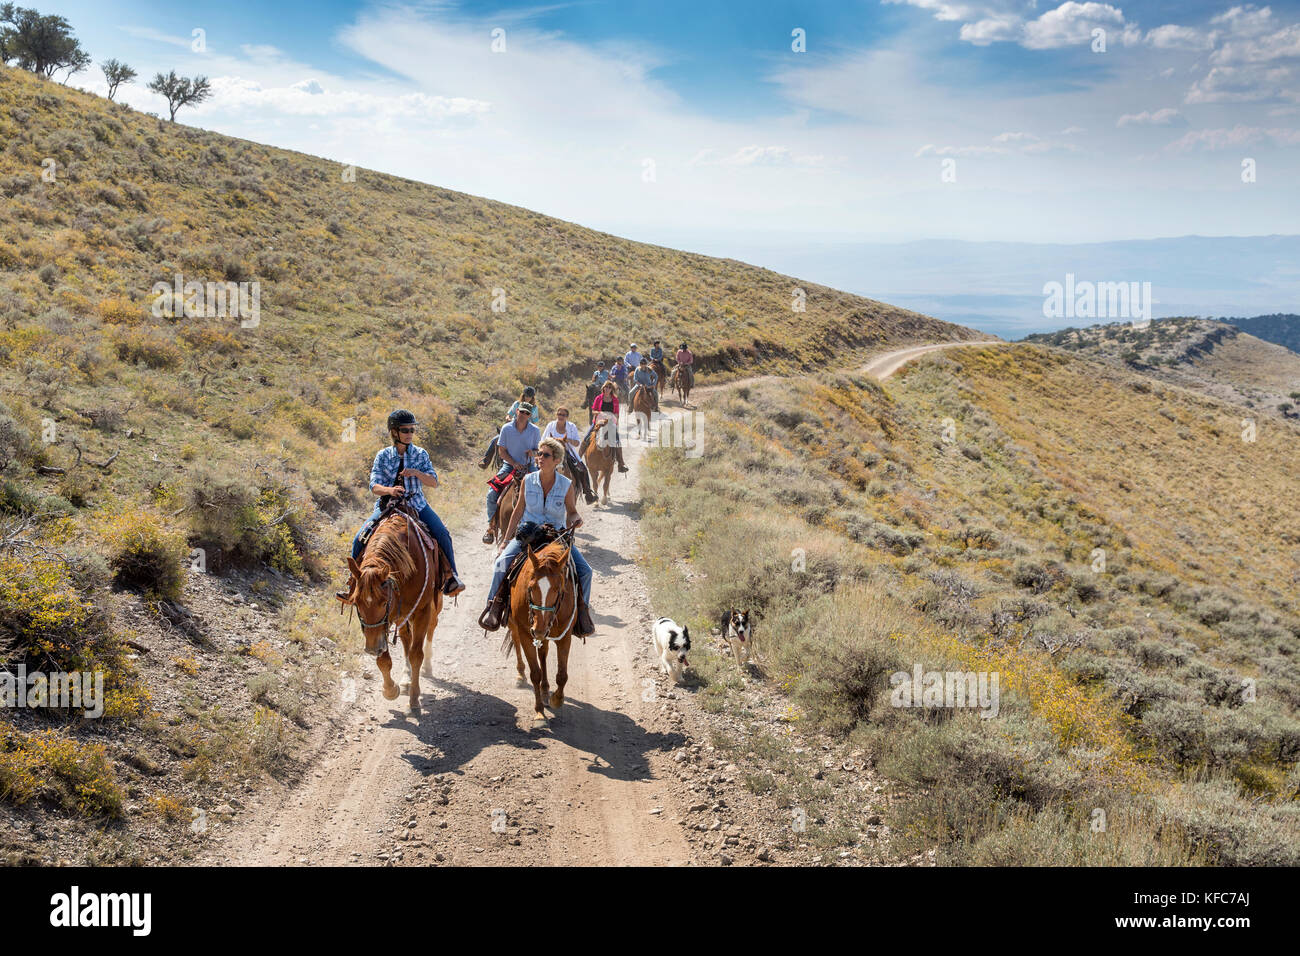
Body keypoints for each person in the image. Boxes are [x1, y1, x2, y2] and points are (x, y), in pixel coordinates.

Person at [341, 408, 465, 599]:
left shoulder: (421, 454)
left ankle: (451, 577)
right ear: (394, 432)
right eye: (405, 430)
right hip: (387, 507)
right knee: (359, 538)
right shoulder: (383, 456)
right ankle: (353, 583)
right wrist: (390, 491)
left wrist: (416, 473)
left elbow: (433, 481)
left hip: (416, 504)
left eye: (412, 430)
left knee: (442, 533)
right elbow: (374, 486)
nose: (409, 434)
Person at [479, 437, 594, 635]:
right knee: (501, 563)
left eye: (545, 455)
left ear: (556, 460)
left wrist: (576, 519)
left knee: (585, 571)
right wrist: (505, 541)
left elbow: (572, 511)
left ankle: (581, 613)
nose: (539, 457)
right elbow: (518, 511)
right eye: (539, 454)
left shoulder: (566, 485)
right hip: (528, 534)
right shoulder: (528, 480)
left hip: (556, 536)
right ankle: (494, 606)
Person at [484, 403, 540, 543]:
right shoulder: (506, 428)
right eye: (522, 412)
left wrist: (532, 453)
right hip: (510, 466)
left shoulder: (535, 430)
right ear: (517, 411)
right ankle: (491, 526)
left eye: (527, 413)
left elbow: (538, 451)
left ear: (530, 415)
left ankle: (545, 525)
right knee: (491, 493)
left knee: (542, 491)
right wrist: (514, 463)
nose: (523, 415)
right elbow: (502, 451)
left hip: (529, 467)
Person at [545, 407, 598, 504]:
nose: (560, 416)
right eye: (559, 414)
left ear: (567, 417)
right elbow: (543, 440)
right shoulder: (550, 425)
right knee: (537, 467)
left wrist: (568, 440)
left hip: (567, 452)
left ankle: (588, 494)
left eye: (563, 415)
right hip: (552, 453)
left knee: (582, 469)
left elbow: (577, 443)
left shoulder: (572, 426)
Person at [479, 387, 541, 469]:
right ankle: (486, 460)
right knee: (495, 439)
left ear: (532, 397)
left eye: (530, 396)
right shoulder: (517, 404)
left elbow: (535, 421)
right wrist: (509, 418)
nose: (528, 398)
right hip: (513, 427)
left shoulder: (534, 408)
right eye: (526, 396)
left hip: (528, 430)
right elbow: (509, 415)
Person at [588, 379, 628, 473]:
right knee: (586, 437)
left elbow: (617, 413)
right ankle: (579, 460)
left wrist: (613, 419)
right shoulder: (598, 398)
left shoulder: (615, 400)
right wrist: (600, 413)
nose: (607, 389)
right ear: (603, 388)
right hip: (599, 421)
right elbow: (593, 410)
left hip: (610, 421)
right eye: (606, 387)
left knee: (617, 440)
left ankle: (620, 463)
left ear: (611, 389)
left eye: (610, 387)